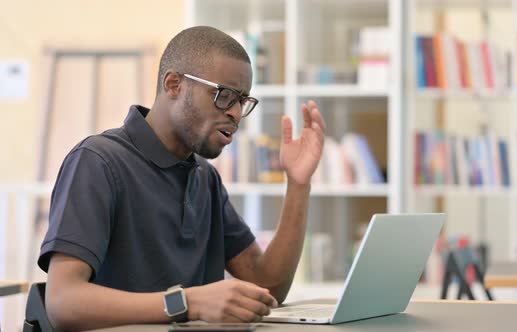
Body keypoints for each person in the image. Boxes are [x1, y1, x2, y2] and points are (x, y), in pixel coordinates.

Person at [38, 26, 325, 331]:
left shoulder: (205, 177)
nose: (236, 113)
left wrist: (298, 183)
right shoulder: (98, 161)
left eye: (243, 100)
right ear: (173, 84)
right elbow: (63, 302)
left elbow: (267, 286)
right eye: (223, 95)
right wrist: (188, 303)